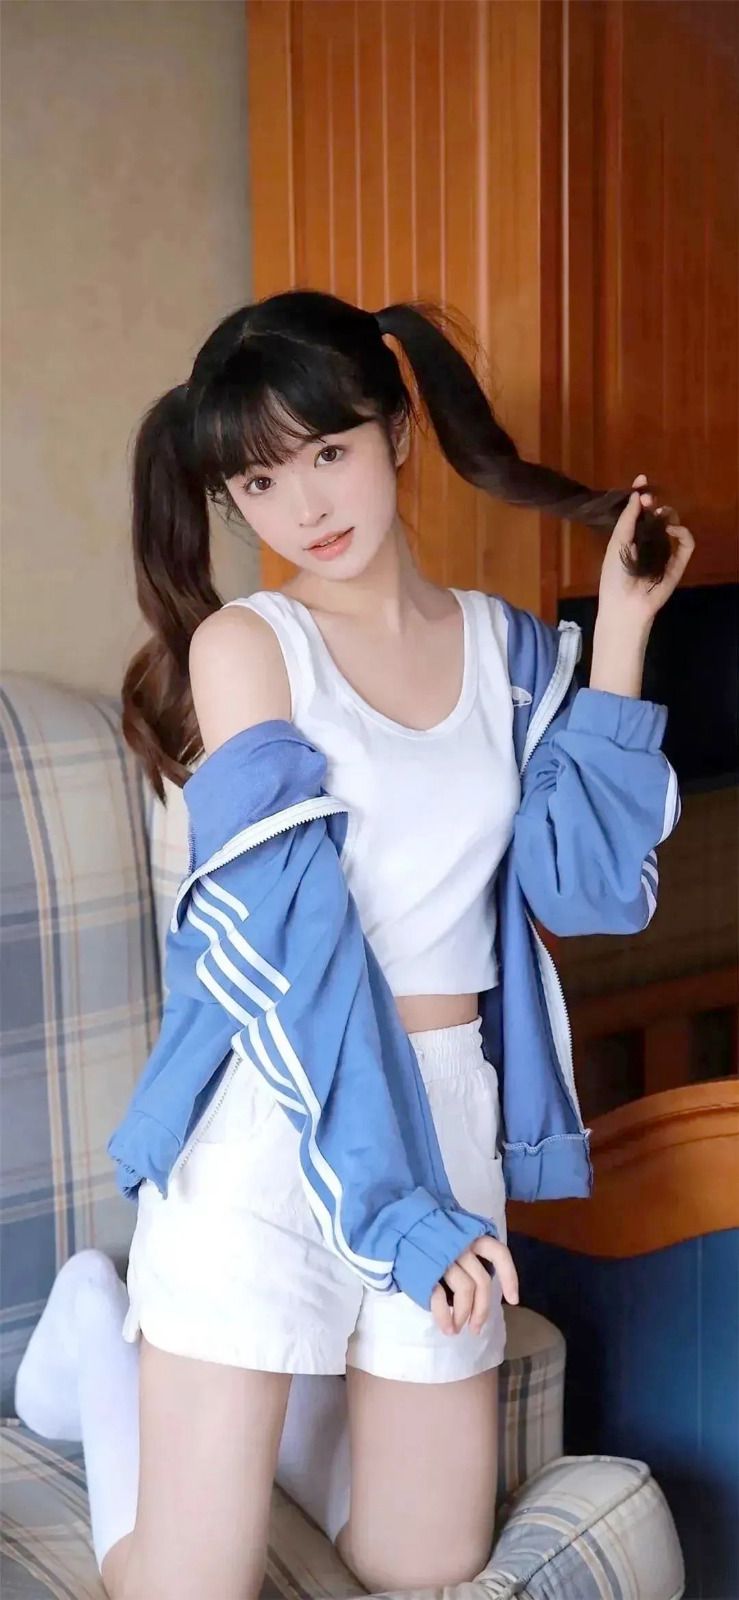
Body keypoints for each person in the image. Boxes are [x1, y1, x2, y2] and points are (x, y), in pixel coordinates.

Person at [14, 290, 694, 1600]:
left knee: (420, 1564)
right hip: (275, 1120)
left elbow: (590, 895)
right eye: (259, 483)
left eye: (327, 452)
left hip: (446, 1115)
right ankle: (102, 1339)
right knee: (186, 1588)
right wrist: (399, 1216)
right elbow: (297, 953)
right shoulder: (249, 650)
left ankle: (241, 1402)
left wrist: (619, 633)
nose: (304, 507)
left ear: (395, 430)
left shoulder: (507, 653)